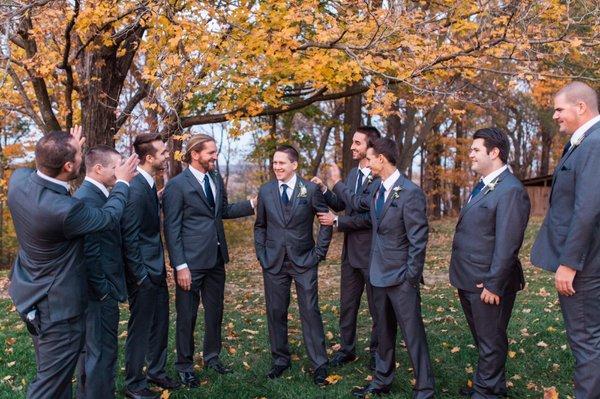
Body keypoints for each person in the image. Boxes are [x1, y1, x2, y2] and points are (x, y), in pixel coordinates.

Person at [8, 127, 138, 399]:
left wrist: (65, 148)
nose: (83, 155)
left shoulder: (19, 181)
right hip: (57, 308)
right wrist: (123, 182)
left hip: (30, 291)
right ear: (69, 166)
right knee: (51, 385)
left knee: (58, 375)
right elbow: (108, 218)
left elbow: (47, 163)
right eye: (80, 154)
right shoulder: (66, 211)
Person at [333, 138, 435, 399]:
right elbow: (360, 210)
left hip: (401, 278)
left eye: (369, 158)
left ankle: (424, 388)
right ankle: (381, 381)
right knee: (383, 334)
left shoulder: (410, 192)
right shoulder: (377, 188)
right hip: (377, 274)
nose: (366, 163)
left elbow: (418, 240)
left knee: (413, 336)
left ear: (382, 158)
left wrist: (411, 277)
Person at [163, 134, 255, 388]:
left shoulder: (215, 178)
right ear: (195, 154)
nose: (215, 156)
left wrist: (252, 204)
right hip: (190, 264)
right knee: (187, 315)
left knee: (215, 312)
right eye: (210, 152)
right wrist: (179, 265)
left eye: (215, 152)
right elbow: (171, 228)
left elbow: (222, 212)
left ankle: (212, 357)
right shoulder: (176, 185)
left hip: (216, 259)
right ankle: (184, 365)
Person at [531, 82, 600, 398]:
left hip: (584, 265)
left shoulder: (594, 143)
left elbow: (587, 209)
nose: (555, 115)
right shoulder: (582, 143)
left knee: (586, 341)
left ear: (581, 107)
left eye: (560, 109)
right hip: (586, 259)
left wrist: (569, 263)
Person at [450, 128, 530, 398]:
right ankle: (493, 386)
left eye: (475, 149)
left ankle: (485, 393)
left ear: (494, 152)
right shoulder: (482, 185)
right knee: (486, 340)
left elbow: (508, 244)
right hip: (469, 278)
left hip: (489, 283)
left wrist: (494, 284)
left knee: (491, 340)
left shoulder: (511, 190)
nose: (469, 154)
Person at [254, 145, 333, 385]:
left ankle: (319, 363)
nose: (277, 167)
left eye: (282, 163)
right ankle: (280, 360)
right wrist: (261, 254)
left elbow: (326, 222)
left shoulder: (309, 190)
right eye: (275, 163)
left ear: (294, 165)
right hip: (274, 262)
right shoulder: (266, 191)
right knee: (276, 312)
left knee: (310, 311)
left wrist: (318, 253)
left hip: (304, 261)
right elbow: (260, 226)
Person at [312, 126, 381, 369]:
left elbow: (366, 213)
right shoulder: (353, 174)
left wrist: (337, 221)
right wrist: (324, 189)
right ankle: (347, 349)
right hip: (350, 253)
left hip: (372, 253)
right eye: (353, 142)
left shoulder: (379, 176)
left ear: (370, 147)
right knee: (348, 305)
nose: (352, 147)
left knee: (377, 308)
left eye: (357, 143)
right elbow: (342, 202)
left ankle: (378, 353)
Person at [122, 133, 180, 399]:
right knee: (141, 328)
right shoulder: (134, 190)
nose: (167, 156)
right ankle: (134, 383)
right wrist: (141, 276)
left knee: (159, 324)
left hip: (156, 270)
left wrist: (156, 198)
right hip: (143, 274)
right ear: (149, 158)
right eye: (163, 152)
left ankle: (156, 371)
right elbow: (129, 237)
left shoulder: (146, 186)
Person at [75, 146, 132, 399]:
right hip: (98, 294)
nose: (119, 171)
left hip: (99, 291)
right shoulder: (88, 198)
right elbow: (89, 252)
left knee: (92, 352)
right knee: (101, 352)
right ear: (99, 169)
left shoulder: (97, 194)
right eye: (115, 166)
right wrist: (104, 292)